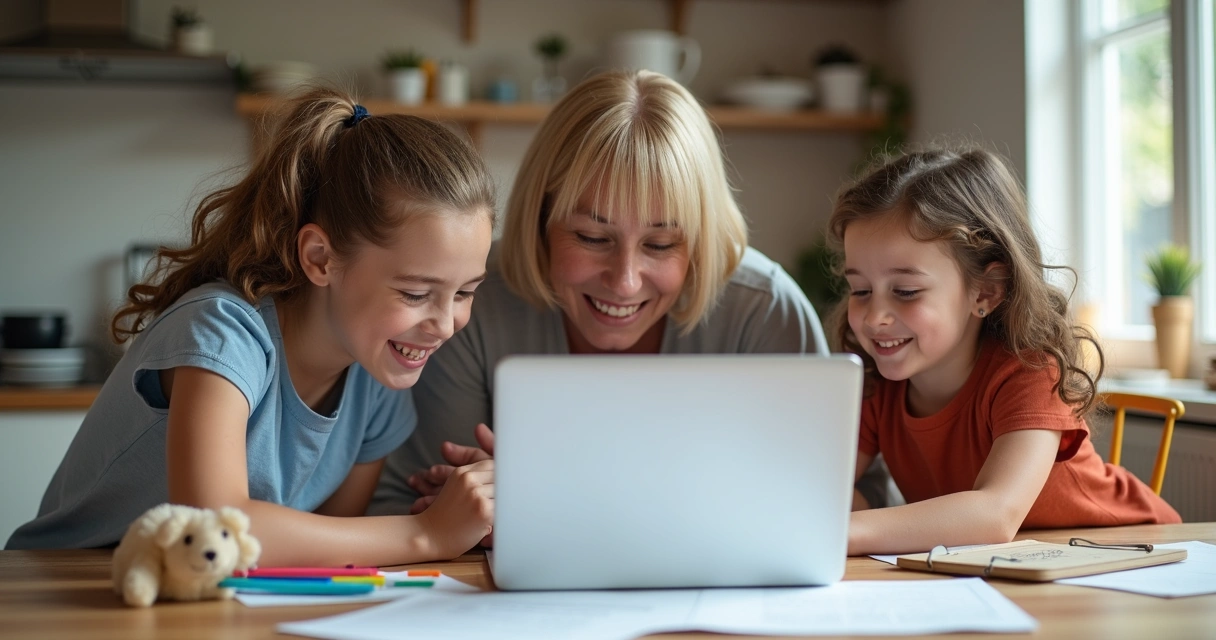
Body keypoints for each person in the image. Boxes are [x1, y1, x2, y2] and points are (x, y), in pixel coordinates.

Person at [370, 69, 896, 517]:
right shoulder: (470, 301)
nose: (624, 280)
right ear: (540, 219)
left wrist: (553, 500)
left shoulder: (762, 310)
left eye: (662, 243)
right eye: (592, 238)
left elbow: (843, 505)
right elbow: (424, 502)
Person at [7, 88, 498, 567]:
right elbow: (214, 528)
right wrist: (426, 532)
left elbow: (331, 551)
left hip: (204, 600)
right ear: (320, 258)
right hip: (69, 584)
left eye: (464, 292)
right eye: (415, 294)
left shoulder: (379, 373)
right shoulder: (221, 331)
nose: (444, 323)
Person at [833, 146, 1181, 556]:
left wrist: (841, 530)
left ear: (986, 290)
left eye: (906, 291)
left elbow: (994, 514)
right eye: (860, 290)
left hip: (1134, 552)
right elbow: (822, 492)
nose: (875, 318)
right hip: (1011, 564)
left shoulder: (1030, 371)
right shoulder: (876, 385)